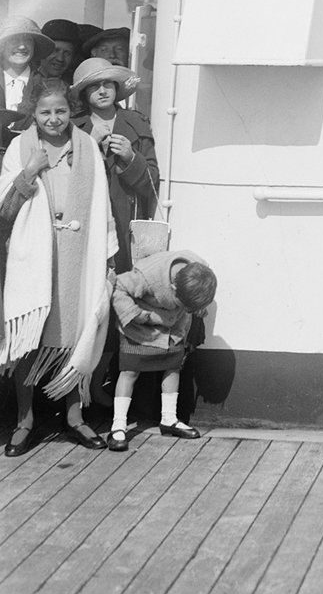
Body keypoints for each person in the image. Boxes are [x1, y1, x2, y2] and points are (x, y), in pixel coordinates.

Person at [0, 82, 117, 455]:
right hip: (33, 252)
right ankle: (25, 420)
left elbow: (102, 207)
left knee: (74, 327)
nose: (54, 118)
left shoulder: (86, 148)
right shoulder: (21, 148)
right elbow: (4, 208)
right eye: (46, 112)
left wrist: (107, 255)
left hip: (77, 249)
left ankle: (74, 417)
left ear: (70, 111)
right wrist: (28, 172)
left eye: (61, 111)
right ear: (33, 115)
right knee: (29, 335)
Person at [108, 250, 217, 451]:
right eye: (183, 304)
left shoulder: (199, 270)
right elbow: (119, 286)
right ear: (174, 287)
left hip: (172, 328)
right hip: (140, 326)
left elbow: (195, 298)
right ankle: (118, 425)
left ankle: (169, 419)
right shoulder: (148, 275)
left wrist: (196, 307)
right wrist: (136, 315)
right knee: (129, 371)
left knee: (173, 367)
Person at [72, 57, 159, 275]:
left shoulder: (137, 123)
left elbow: (153, 182)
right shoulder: (73, 128)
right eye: (94, 86)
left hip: (127, 221)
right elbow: (67, 179)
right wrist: (90, 145)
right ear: (83, 93)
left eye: (107, 84)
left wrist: (131, 157)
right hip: (89, 219)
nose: (102, 91)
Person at [1, 15, 55, 151]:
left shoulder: (47, 87)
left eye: (28, 40)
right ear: (2, 45)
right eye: (14, 39)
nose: (22, 46)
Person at [39, 20, 81, 86]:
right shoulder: (24, 80)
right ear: (42, 51)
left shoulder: (75, 87)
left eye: (67, 53)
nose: (60, 58)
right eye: (55, 50)